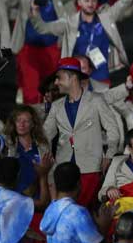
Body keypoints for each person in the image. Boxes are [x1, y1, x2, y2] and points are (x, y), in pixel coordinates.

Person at [30, 0, 133, 91]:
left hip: (101, 77)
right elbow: (43, 28)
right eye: (86, 1)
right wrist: (35, 13)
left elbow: (125, 1)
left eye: (93, 1)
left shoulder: (107, 17)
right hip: (76, 78)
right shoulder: (69, 23)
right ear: (79, 2)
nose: (90, 4)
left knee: (99, 108)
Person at [42, 58, 121, 206]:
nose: (56, 82)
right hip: (63, 168)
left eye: (59, 78)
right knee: (64, 211)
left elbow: (113, 130)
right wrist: (45, 156)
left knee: (84, 211)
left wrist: (109, 155)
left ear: (72, 77)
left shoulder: (96, 101)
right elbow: (45, 135)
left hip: (90, 168)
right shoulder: (56, 106)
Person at [5, 0, 68, 104]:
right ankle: (32, 122)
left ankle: (50, 121)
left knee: (51, 90)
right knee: (31, 90)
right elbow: (6, 1)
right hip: (28, 50)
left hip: (52, 50)